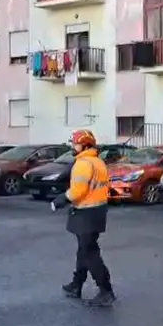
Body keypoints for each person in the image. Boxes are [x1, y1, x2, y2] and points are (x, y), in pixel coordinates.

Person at [53, 129, 116, 307]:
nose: (73, 146)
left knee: (90, 253)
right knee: (84, 249)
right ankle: (77, 284)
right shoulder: (97, 162)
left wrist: (60, 200)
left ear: (84, 145)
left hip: (85, 213)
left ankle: (106, 290)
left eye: (75, 143)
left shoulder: (83, 164)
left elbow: (78, 191)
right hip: (98, 211)